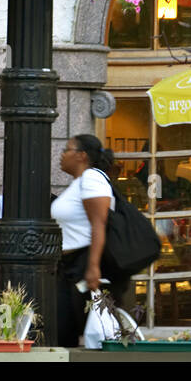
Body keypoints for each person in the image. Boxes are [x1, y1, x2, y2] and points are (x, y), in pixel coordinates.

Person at [50, 134, 116, 347]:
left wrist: (93, 267)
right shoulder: (79, 183)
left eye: (66, 150)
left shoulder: (92, 179)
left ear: (81, 156)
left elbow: (99, 223)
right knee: (64, 332)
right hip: (69, 266)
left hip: (84, 263)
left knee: (93, 333)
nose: (61, 155)